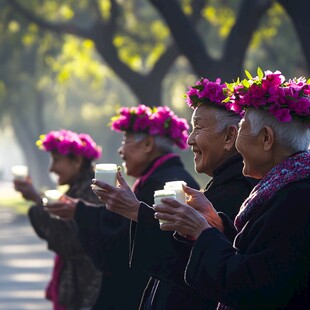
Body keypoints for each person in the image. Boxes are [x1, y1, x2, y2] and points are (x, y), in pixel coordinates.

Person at [91, 78, 257, 309]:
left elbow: (190, 261)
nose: (190, 140)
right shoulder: (222, 184)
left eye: (198, 128)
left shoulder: (239, 191)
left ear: (230, 137)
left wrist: (135, 210)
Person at [154, 69, 310, 309]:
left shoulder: (295, 199)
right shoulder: (286, 188)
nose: (237, 141)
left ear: (266, 139)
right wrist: (217, 225)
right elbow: (258, 262)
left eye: (243, 127)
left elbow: (254, 288)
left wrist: (202, 232)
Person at [47, 105, 200, 310]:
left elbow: (127, 238)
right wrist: (81, 211)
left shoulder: (167, 184)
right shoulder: (155, 178)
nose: (120, 150)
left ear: (147, 144)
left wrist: (81, 212)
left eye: (125, 140)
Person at [14, 129, 102, 310]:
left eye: (56, 160)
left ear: (77, 161)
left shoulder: (94, 192)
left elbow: (67, 236)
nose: (51, 169)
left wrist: (37, 199)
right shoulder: (78, 188)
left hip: (90, 289)